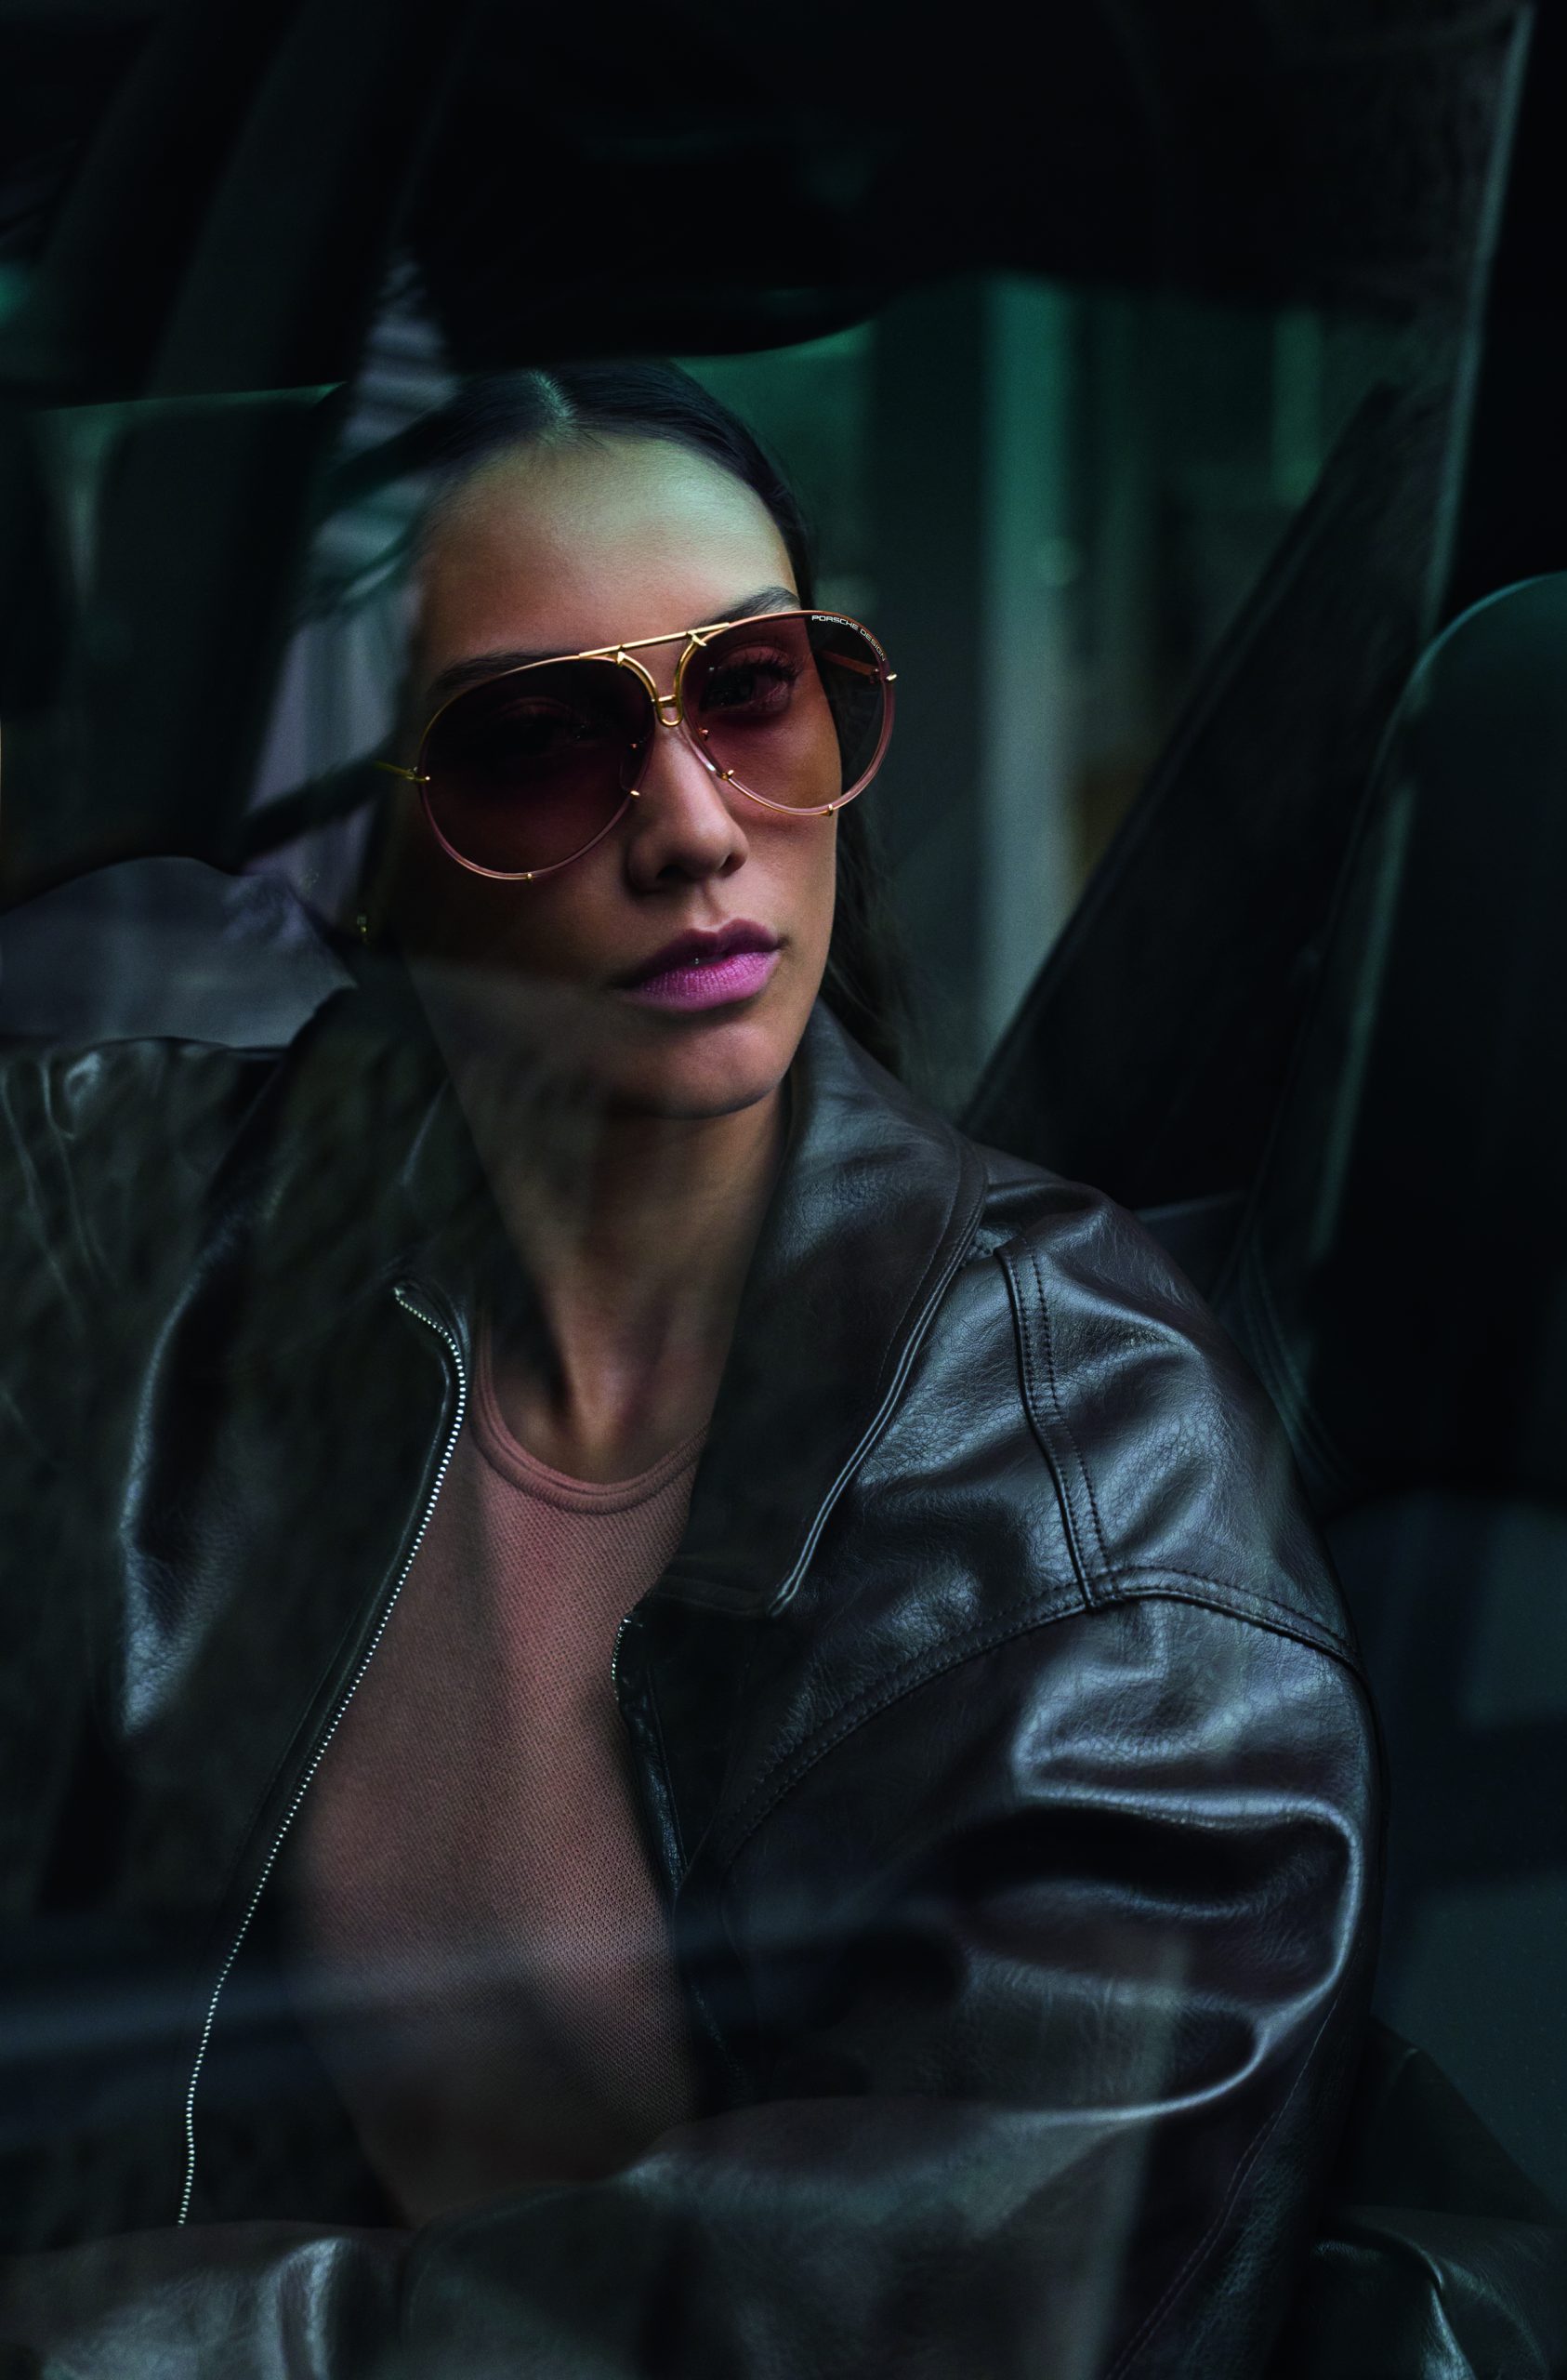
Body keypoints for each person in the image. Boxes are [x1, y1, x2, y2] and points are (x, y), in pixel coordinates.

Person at [0, 363, 1380, 2375]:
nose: (693, 826)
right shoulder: (198, 1233)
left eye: (751, 691)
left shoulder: (1088, 1468)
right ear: (380, 844)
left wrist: (147, 2343)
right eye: (539, 743)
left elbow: (939, 2305)